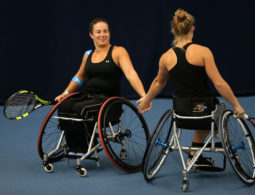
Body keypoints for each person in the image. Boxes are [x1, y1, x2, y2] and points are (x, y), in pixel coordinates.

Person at [137, 9, 245, 166]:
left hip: (181, 113)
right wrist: (237, 105)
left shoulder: (166, 57)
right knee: (219, 110)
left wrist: (147, 99)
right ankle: (225, 142)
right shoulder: (203, 52)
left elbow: (159, 83)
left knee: (201, 114)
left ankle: (194, 156)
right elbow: (219, 83)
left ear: (173, 31)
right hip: (204, 111)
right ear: (192, 29)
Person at [55, 18, 148, 153]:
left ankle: (86, 147)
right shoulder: (88, 55)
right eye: (98, 32)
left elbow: (130, 73)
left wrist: (143, 95)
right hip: (89, 97)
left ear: (109, 33)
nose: (102, 35)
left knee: (80, 109)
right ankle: (74, 146)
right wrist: (65, 93)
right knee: (64, 105)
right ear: (91, 35)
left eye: (105, 31)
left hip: (108, 102)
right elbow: (79, 77)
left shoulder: (118, 51)